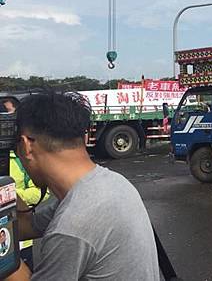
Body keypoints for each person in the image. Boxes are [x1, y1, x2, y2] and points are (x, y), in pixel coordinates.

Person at [6, 91, 160, 280]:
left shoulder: (72, 227)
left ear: (27, 146)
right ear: (83, 137)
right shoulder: (112, 183)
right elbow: (26, 226)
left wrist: (3, 255)